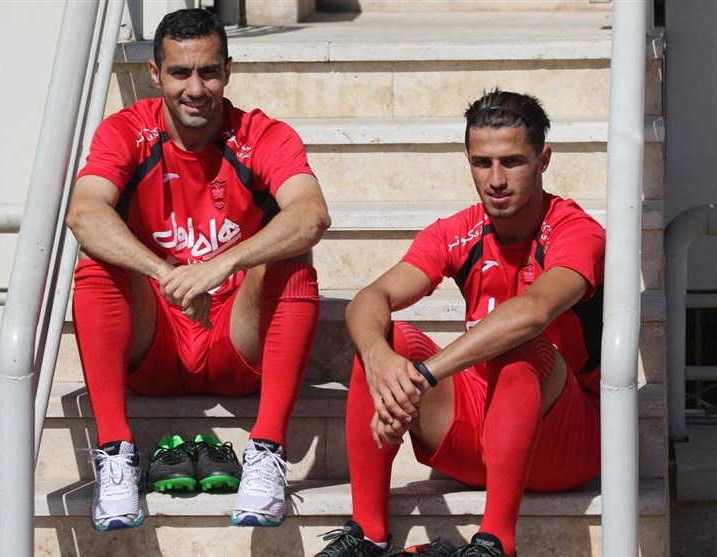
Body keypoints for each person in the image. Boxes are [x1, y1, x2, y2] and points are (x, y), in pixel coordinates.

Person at [66, 8, 331, 532]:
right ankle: (116, 453)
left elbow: (311, 214)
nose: (195, 88)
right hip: (155, 340)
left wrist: (221, 264)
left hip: (234, 339)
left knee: (292, 255)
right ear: (155, 74)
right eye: (180, 73)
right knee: (97, 256)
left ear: (228, 71)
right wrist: (163, 272)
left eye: (208, 72)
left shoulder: (261, 134)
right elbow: (84, 213)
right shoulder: (127, 131)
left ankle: (266, 451)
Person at [316, 89, 603, 557]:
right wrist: (381, 361)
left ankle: (495, 544)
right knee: (387, 339)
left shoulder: (576, 230)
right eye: (482, 163)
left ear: (544, 160)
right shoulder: (459, 231)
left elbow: (533, 311)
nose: (496, 180)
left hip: (564, 445)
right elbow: (369, 299)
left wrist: (425, 376)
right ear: (467, 160)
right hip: (479, 435)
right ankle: (368, 534)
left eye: (512, 162)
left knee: (521, 346)